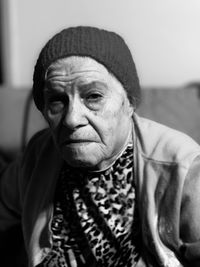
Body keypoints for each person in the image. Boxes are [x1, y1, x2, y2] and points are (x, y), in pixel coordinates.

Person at [1, 26, 200, 267]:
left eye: (93, 96)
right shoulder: (38, 154)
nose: (72, 119)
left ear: (129, 103)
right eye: (56, 100)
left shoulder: (184, 166)